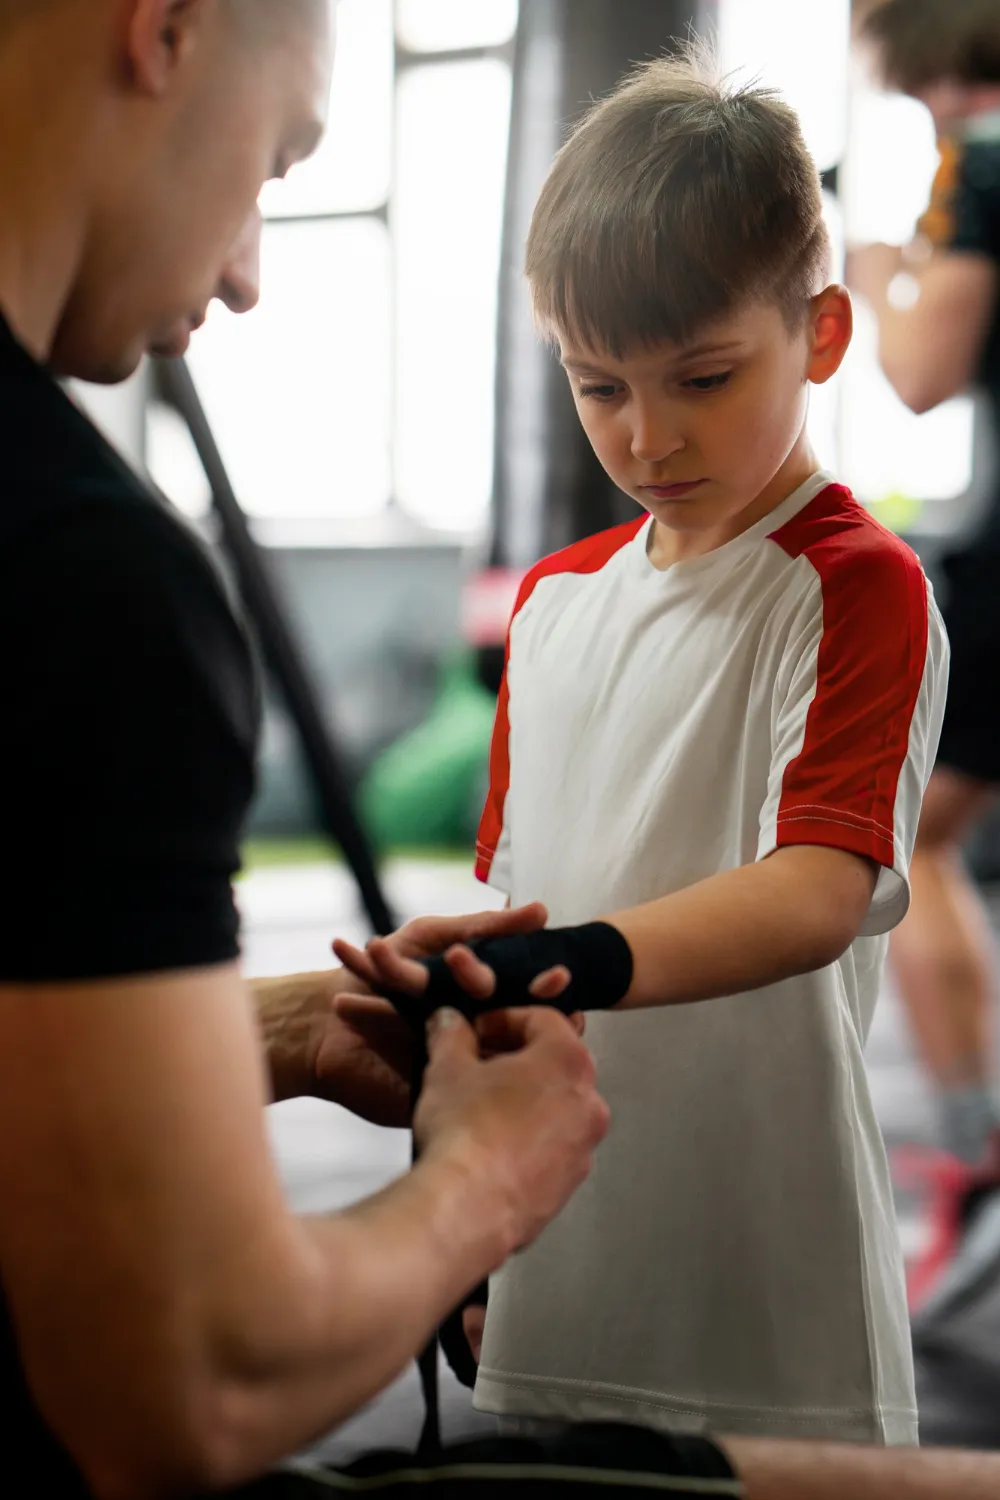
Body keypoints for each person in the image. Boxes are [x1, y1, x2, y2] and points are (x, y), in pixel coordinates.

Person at [0, 1, 621, 1494]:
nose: (246, 274)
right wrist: (489, 1180)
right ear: (166, 28)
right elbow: (189, 1387)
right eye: (275, 162)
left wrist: (280, 1029)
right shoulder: (77, 571)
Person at [339, 52, 949, 1448]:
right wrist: (468, 1212)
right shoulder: (553, 606)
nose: (649, 435)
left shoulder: (854, 586)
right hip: (561, 1245)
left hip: (766, 1273)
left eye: (705, 377)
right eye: (598, 385)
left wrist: (559, 962)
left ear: (823, 334)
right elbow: (524, 917)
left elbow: (818, 892)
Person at [847, 0, 1000, 1308]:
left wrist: (871, 267)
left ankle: (980, 1157)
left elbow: (915, 372)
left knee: (909, 841)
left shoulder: (982, 161)